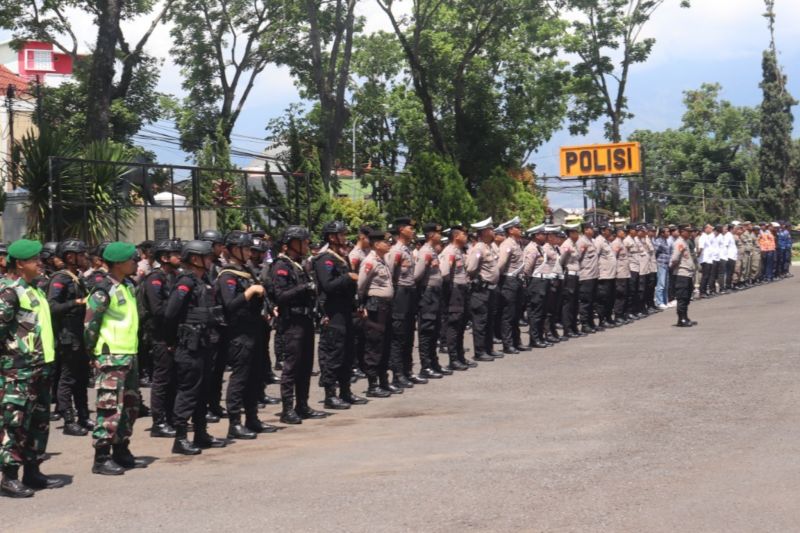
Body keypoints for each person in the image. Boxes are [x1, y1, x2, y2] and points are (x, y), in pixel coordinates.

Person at [0, 239, 64, 497]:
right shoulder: (9, 292)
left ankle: (33, 470)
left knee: (38, 422)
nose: (40, 263)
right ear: (19, 263)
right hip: (18, 371)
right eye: (34, 260)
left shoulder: (34, 288)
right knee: (14, 424)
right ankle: (8, 476)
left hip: (40, 368)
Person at [84, 242, 144, 476]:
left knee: (130, 405)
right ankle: (101, 457)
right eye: (131, 259)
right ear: (118, 263)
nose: (135, 263)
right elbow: (90, 324)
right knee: (109, 407)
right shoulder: (102, 289)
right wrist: (93, 354)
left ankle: (121, 449)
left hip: (129, 354)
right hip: (110, 356)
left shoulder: (127, 286)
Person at [165, 240, 228, 455]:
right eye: (207, 257)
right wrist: (173, 341)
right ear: (195, 259)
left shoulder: (204, 281)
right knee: (188, 391)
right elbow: (171, 313)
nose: (211, 260)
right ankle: (180, 438)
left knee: (204, 390)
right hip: (190, 345)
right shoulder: (186, 282)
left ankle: (201, 433)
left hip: (205, 343)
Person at [216, 231, 270, 438]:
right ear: (233, 250)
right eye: (245, 248)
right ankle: (234, 423)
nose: (249, 252)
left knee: (255, 376)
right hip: (239, 333)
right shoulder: (228, 275)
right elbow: (230, 305)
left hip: (254, 329)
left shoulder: (246, 271)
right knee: (240, 377)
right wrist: (249, 293)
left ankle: (252, 417)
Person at [271, 226, 328, 424]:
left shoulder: (299, 265)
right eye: (303, 242)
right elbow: (280, 295)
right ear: (291, 244)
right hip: (292, 321)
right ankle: (287, 409)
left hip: (305, 319)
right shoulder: (281, 266)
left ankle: (302, 405)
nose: (306, 245)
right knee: (291, 366)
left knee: (305, 365)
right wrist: (304, 287)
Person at [314, 221, 368, 409]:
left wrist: (357, 305)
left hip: (346, 310)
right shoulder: (325, 259)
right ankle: (330, 395)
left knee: (347, 352)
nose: (345, 237)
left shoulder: (341, 257)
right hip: (333, 311)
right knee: (334, 353)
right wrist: (347, 277)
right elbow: (328, 285)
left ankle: (346, 391)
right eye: (341, 234)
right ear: (331, 237)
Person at [48, 239, 94, 437]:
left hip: (80, 334)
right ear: (70, 257)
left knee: (82, 377)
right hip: (67, 336)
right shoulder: (61, 278)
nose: (85, 258)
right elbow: (52, 306)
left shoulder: (78, 277)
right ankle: (68, 419)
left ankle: (83, 416)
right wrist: (76, 302)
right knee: (68, 378)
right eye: (81, 254)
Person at [140, 239, 182, 439]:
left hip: (174, 335)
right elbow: (158, 310)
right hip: (160, 336)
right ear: (164, 258)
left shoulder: (174, 276)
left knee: (174, 379)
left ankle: (171, 417)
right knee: (162, 379)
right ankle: (159, 422)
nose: (179, 257)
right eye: (175, 253)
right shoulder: (155, 279)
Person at [386, 217, 427, 388]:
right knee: (399, 335)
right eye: (410, 228)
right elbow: (390, 274)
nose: (413, 231)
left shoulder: (408, 250)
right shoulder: (396, 250)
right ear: (402, 229)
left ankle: (408, 371)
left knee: (410, 333)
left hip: (410, 292)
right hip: (400, 294)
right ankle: (398, 374)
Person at [357, 229, 396, 397]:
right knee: (374, 344)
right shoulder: (370, 261)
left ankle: (383, 381)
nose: (388, 244)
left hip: (385, 306)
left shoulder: (382, 260)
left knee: (385, 344)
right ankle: (373, 385)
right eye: (385, 241)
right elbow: (360, 286)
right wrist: (361, 305)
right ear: (376, 244)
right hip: (375, 306)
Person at [415, 222, 448, 376]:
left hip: (435, 294)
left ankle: (434, 362)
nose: (440, 236)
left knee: (435, 330)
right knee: (427, 331)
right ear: (430, 235)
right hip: (428, 294)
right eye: (437, 233)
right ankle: (425, 366)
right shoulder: (425, 252)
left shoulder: (432, 251)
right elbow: (417, 275)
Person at [467, 218, 502, 360]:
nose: (493, 232)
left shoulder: (489, 247)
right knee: (480, 322)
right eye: (491, 229)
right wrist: (478, 278)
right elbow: (470, 268)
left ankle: (489, 348)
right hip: (481, 290)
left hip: (491, 289)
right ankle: (479, 352)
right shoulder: (478, 248)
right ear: (484, 232)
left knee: (489, 321)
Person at [439, 225, 471, 371]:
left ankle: (460, 356)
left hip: (461, 290)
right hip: (454, 291)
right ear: (456, 236)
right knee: (454, 324)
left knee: (461, 324)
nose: (466, 237)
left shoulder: (458, 251)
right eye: (464, 234)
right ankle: (453, 359)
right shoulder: (450, 251)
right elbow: (445, 272)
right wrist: (449, 289)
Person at [496, 217, 527, 354]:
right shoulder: (507, 244)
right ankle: (508, 344)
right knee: (508, 314)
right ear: (510, 230)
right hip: (509, 281)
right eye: (518, 227)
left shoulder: (517, 243)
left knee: (516, 314)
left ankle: (516, 341)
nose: (520, 230)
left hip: (517, 281)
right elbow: (501, 265)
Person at [523, 224, 551, 347]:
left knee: (543, 311)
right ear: (536, 235)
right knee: (536, 312)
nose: (545, 236)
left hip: (543, 281)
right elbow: (527, 268)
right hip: (536, 282)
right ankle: (534, 339)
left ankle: (540, 336)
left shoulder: (540, 248)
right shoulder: (531, 248)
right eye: (543, 234)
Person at [670, 225, 697, 327]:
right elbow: (675, 258)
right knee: (682, 297)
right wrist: (673, 268)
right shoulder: (679, 242)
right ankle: (681, 319)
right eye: (688, 231)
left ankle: (685, 316)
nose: (690, 233)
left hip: (687, 273)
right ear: (682, 232)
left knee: (687, 297)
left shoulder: (685, 241)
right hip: (682, 273)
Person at [559, 224, 582, 337]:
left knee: (575, 303)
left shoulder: (574, 244)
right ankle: (567, 329)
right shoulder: (566, 245)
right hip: (570, 276)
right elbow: (561, 261)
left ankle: (574, 327)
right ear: (571, 233)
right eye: (575, 232)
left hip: (576, 275)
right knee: (568, 303)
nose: (577, 234)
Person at [577, 222, 600, 333]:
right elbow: (577, 258)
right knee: (585, 301)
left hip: (593, 275)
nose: (593, 230)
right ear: (586, 230)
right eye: (591, 228)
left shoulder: (591, 241)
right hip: (586, 276)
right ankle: (585, 324)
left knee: (592, 301)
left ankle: (591, 322)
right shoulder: (582, 242)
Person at [594, 223, 617, 328]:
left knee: (610, 298)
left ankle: (608, 318)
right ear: (603, 230)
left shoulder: (606, 241)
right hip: (604, 275)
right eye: (608, 229)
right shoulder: (599, 241)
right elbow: (595, 257)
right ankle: (602, 320)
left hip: (611, 275)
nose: (610, 231)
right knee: (603, 299)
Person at [653, 227, 671, 309]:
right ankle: (659, 302)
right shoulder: (659, 241)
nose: (668, 233)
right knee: (661, 284)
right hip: (661, 264)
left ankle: (664, 301)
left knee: (666, 284)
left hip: (666, 264)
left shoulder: (665, 241)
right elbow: (654, 253)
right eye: (667, 232)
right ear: (662, 233)